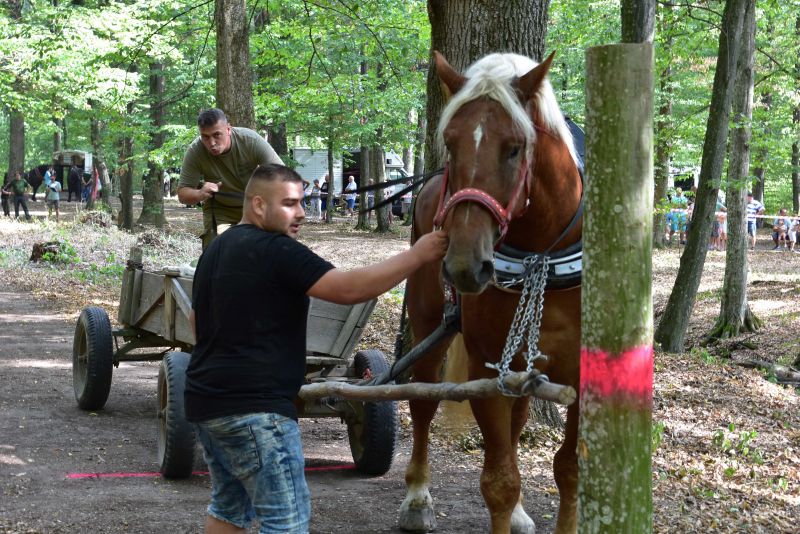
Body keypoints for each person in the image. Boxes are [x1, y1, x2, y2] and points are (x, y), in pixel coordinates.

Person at [185, 164, 447, 534]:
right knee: (286, 519)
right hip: (258, 414)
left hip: (206, 404)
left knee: (228, 509)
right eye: (289, 204)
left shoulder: (216, 249)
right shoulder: (279, 251)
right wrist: (418, 255)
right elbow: (348, 289)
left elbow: (196, 322)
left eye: (302, 202)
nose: (302, 213)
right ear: (258, 205)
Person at [177, 108, 284, 250]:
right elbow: (182, 194)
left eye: (217, 135)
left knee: (269, 248)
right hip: (220, 209)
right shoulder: (196, 151)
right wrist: (200, 193)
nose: (212, 142)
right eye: (205, 137)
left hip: (254, 205)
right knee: (217, 250)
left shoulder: (250, 140)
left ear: (228, 129)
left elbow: (283, 176)